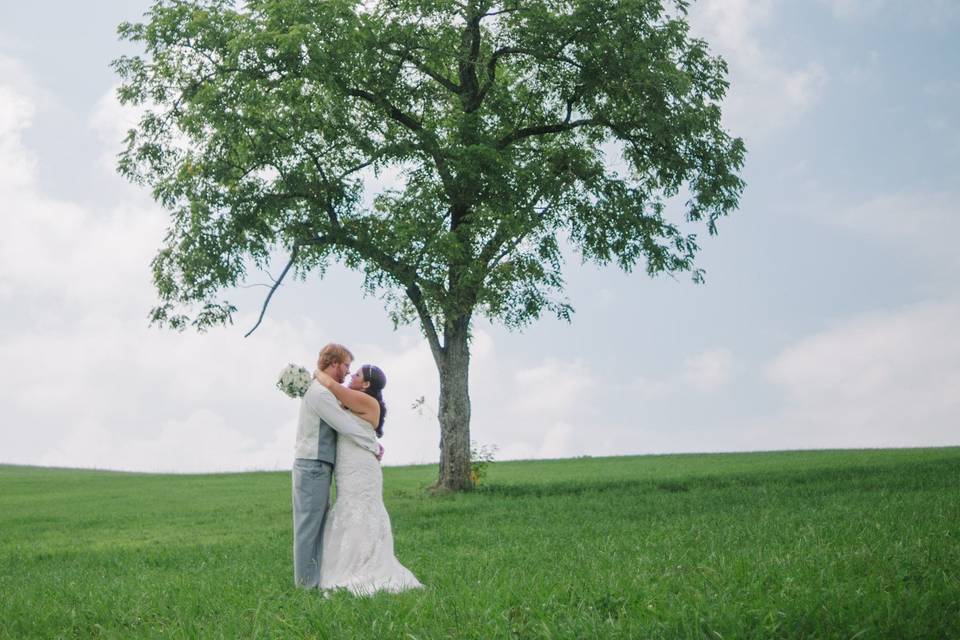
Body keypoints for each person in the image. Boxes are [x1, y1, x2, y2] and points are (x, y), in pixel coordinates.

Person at [313, 363, 423, 595]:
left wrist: (314, 373)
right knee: (349, 508)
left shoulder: (367, 401)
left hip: (362, 468)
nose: (352, 375)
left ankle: (363, 564)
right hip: (347, 464)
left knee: (361, 508)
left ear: (366, 384)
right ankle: (343, 561)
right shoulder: (352, 400)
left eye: (358, 374)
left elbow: (331, 385)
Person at [292, 343, 381, 589]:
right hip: (312, 464)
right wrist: (373, 445)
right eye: (346, 366)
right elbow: (344, 423)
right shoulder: (320, 393)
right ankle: (305, 585)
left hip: (319, 465)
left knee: (317, 525)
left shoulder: (325, 391)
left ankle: (314, 579)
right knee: (308, 527)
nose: (348, 372)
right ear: (334, 364)